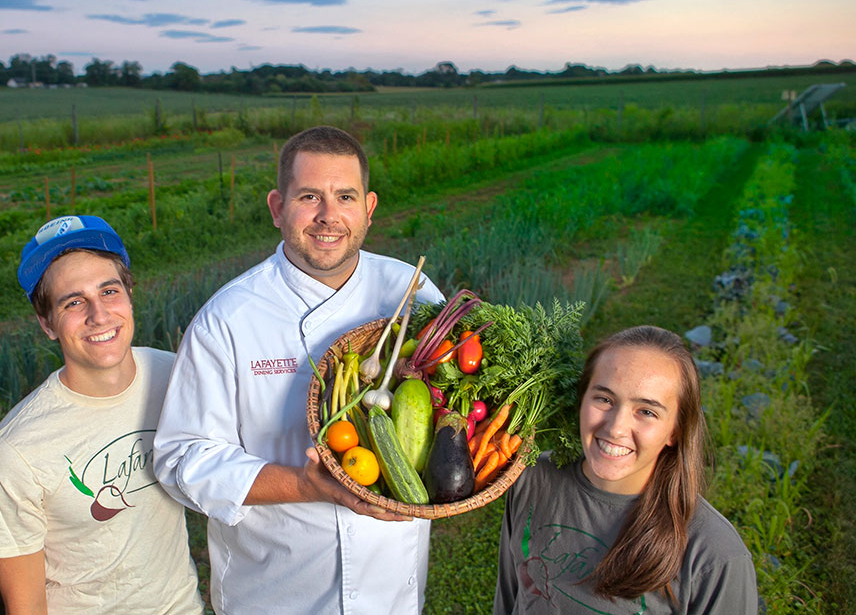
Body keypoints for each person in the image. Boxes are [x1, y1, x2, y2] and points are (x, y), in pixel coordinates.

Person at [153, 125, 444, 614]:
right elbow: (181, 458)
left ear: (368, 209)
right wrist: (300, 485)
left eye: (345, 196)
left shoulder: (410, 291)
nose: (329, 216)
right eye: (310, 196)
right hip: (275, 593)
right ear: (276, 207)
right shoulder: (228, 318)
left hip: (389, 593)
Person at [0, 215, 203, 614]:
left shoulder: (177, 377)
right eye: (74, 302)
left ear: (129, 295)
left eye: (109, 291)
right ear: (46, 323)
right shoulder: (18, 449)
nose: (99, 315)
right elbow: (25, 606)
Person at [494, 325, 759, 614]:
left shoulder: (714, 555)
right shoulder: (532, 478)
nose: (616, 427)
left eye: (646, 411)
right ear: (581, 400)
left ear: (676, 431)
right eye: (604, 399)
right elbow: (510, 596)